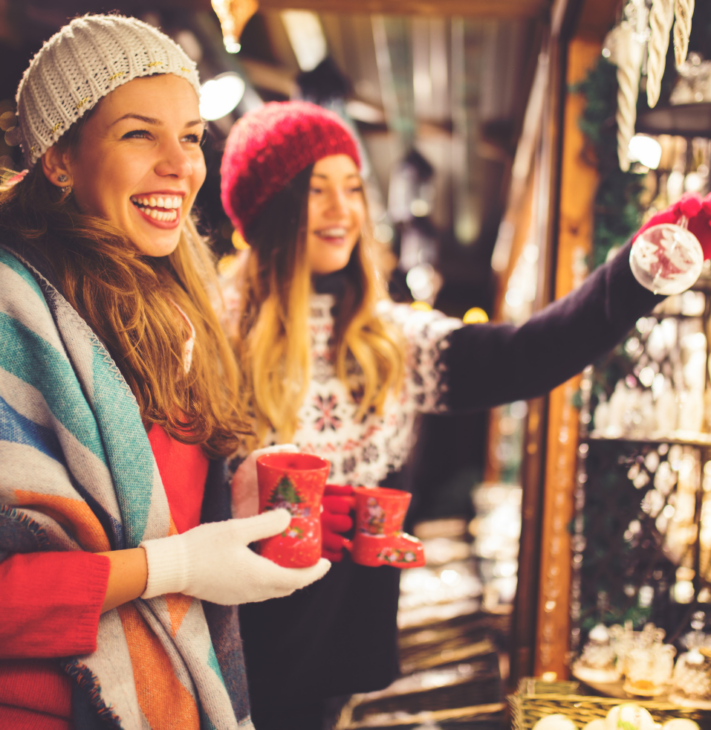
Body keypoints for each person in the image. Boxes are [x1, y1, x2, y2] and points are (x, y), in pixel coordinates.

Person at [219, 100, 711, 729]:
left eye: (352, 188)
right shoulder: (208, 335)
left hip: (336, 668)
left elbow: (527, 355)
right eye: (316, 190)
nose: (343, 211)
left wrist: (637, 274)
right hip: (226, 656)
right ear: (267, 207)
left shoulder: (391, 340)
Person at [0, 18, 329, 730]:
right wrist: (175, 567)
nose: (181, 165)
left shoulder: (174, 309)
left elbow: (160, 507)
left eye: (189, 135)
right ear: (59, 158)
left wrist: (235, 492)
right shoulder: (12, 318)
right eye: (138, 134)